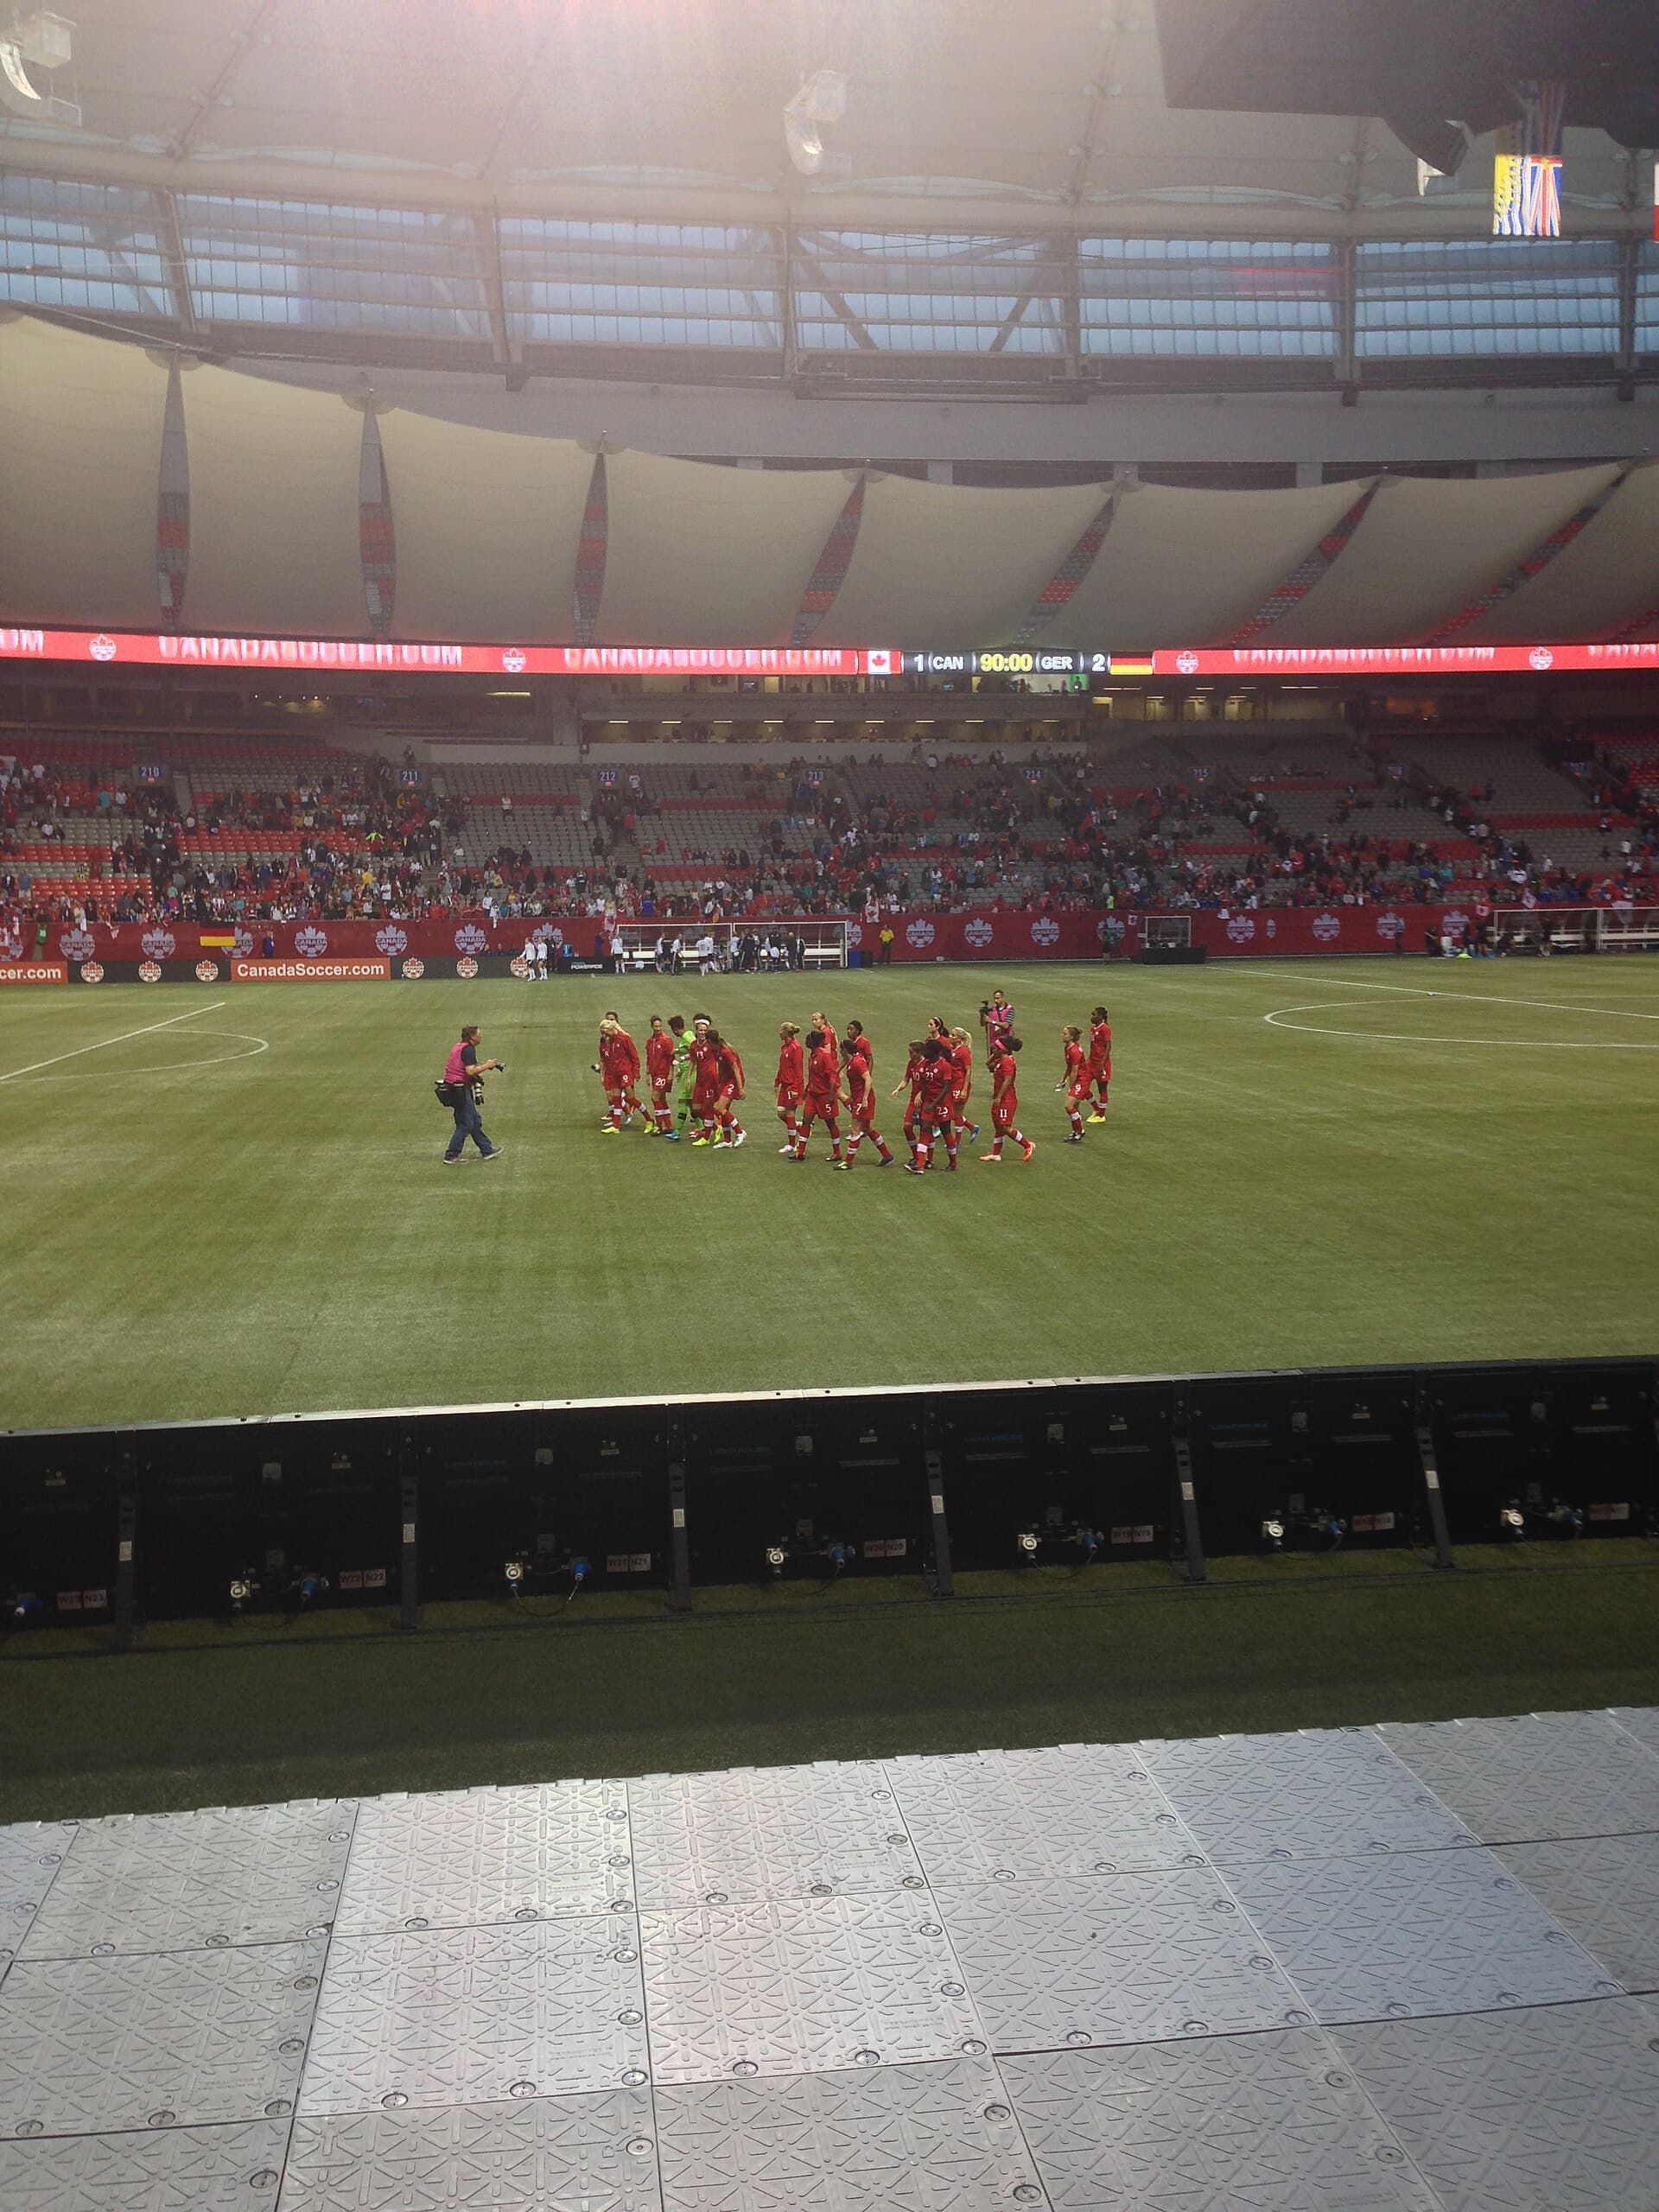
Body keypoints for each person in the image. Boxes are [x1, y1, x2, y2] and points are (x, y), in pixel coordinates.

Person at [440, 1023, 505, 1163]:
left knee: (474, 1121)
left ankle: (486, 1150)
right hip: (460, 1089)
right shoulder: (468, 1049)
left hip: (454, 1088)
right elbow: (470, 1071)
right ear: (472, 1037)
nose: (481, 1036)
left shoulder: (459, 1046)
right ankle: (451, 1155)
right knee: (466, 1124)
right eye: (479, 1034)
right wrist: (487, 1066)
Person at [791, 1026, 844, 1165]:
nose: (806, 1041)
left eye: (808, 1039)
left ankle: (837, 1152)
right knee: (806, 1121)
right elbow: (814, 1077)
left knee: (830, 1123)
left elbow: (832, 1076)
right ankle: (800, 1152)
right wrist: (805, 1092)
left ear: (813, 1042)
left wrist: (832, 1094)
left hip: (825, 1096)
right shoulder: (812, 1056)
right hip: (813, 1096)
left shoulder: (824, 1056)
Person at [981, 1033, 1035, 1163]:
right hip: (1000, 1098)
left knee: (1005, 1127)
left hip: (1007, 1099)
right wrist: (994, 1055)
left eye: (996, 1047)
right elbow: (988, 1064)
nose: (994, 1049)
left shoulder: (1008, 1062)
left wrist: (999, 1097)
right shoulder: (1000, 1060)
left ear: (1002, 1049)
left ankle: (1027, 1145)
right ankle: (996, 1154)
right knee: (999, 1127)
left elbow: (1007, 1081)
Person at [842, 1033, 893, 1168]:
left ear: (845, 1050)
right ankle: (886, 1155)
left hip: (863, 1098)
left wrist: (864, 1099)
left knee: (855, 1129)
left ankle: (848, 1162)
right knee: (867, 1128)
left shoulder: (857, 1062)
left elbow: (868, 1078)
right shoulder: (852, 1060)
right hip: (859, 1097)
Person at [595, 1014, 643, 1134]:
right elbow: (605, 1058)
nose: (604, 1035)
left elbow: (634, 1055)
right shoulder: (607, 1041)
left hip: (625, 1072)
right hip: (614, 1073)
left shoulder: (624, 1038)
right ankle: (616, 1125)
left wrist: (636, 1071)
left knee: (630, 1097)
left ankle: (647, 1118)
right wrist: (602, 1071)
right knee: (615, 1097)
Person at [892, 1037, 926, 1166]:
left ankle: (926, 1159)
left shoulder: (927, 1064)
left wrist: (921, 1093)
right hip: (913, 1101)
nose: (910, 1055)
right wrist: (898, 1089)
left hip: (925, 1101)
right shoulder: (911, 1064)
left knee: (925, 1129)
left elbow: (930, 1084)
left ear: (919, 1052)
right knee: (907, 1128)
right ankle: (916, 1155)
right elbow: (906, 1079)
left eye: (911, 1052)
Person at [688, 1020, 722, 1147]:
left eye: (705, 1030)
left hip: (711, 1081)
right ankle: (715, 1127)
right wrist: (688, 1077)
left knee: (707, 1108)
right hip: (699, 1081)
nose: (702, 1032)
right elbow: (692, 1060)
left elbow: (721, 1056)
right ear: (696, 1031)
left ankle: (706, 1137)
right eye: (700, 1030)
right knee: (696, 1109)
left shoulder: (711, 1045)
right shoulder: (693, 1045)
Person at [711, 1030, 747, 1148]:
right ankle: (727, 1140)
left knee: (719, 1107)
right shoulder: (716, 1051)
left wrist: (740, 1087)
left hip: (733, 1082)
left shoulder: (726, 1052)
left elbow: (736, 1069)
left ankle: (740, 1132)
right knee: (722, 1109)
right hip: (725, 1081)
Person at [645, 1014, 677, 1138]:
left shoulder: (666, 1040)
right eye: (656, 1026)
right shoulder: (649, 1041)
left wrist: (671, 1074)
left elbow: (671, 1058)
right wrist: (647, 1074)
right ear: (652, 1027)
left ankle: (658, 1126)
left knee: (655, 1097)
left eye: (659, 1026)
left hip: (663, 1074)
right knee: (662, 1099)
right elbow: (649, 1058)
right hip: (654, 1074)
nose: (658, 1029)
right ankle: (668, 1126)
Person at [775, 1020, 804, 1152]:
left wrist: (795, 1088)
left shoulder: (796, 1047)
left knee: (790, 1113)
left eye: (781, 1030)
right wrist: (777, 1081)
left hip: (792, 1086)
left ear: (787, 1032)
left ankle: (792, 1145)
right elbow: (782, 1066)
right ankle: (801, 1128)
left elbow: (799, 1070)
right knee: (781, 1113)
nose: (779, 1033)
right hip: (784, 1085)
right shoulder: (785, 1047)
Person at [947, 1025, 979, 1144]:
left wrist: (964, 1089)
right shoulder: (953, 1050)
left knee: (956, 1113)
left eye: (953, 1035)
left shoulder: (964, 1052)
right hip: (952, 1084)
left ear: (959, 1039)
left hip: (959, 1084)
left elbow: (968, 1070)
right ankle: (971, 1127)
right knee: (953, 1113)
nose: (950, 1037)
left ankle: (957, 1141)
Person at [1060, 1023, 1089, 1141]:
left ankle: (1080, 1131)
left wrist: (1071, 1086)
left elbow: (1075, 1070)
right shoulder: (1068, 1047)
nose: (1062, 1035)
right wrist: (1063, 1078)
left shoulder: (1075, 1051)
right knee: (1074, 1107)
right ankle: (1075, 1131)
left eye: (1065, 1034)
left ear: (1071, 1037)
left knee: (1069, 1106)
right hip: (1079, 1079)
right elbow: (1069, 1066)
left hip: (1081, 1080)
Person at [1087, 1005, 1112, 1122]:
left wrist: (1102, 1062)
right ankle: (1096, 1108)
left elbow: (1108, 1046)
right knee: (1082, 1084)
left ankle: (1101, 1115)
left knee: (1102, 1089)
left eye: (1094, 1015)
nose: (1092, 1017)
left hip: (1101, 1064)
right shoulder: (1093, 1028)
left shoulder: (1105, 1028)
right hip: (1091, 1062)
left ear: (1101, 1017)